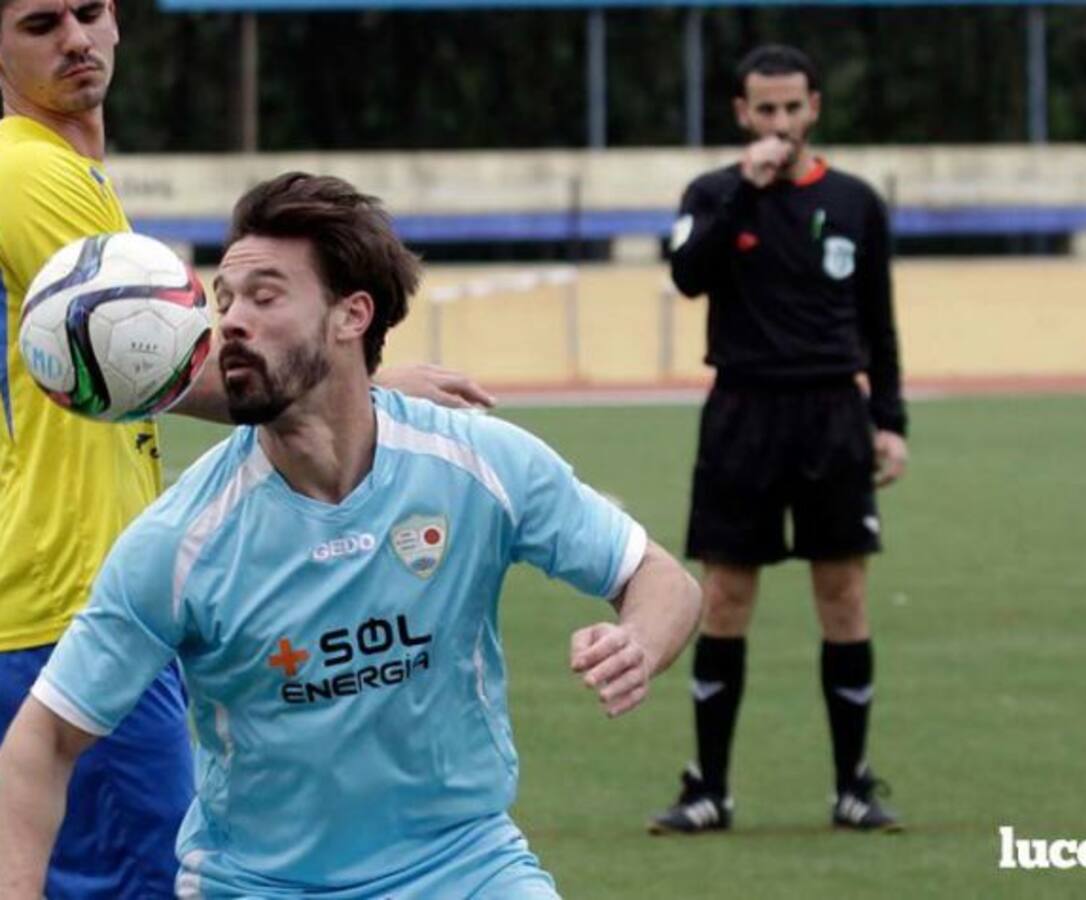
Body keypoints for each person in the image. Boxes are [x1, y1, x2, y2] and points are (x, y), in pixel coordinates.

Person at [0, 171, 702, 896]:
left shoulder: (477, 465)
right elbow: (42, 739)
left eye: (265, 296)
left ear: (352, 315)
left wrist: (639, 641)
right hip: (261, 886)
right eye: (224, 300)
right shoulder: (181, 540)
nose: (230, 321)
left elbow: (660, 579)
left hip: (465, 867)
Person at [0, 1, 492, 894]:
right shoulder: (30, 172)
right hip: (63, 596)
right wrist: (361, 391)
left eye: (90, 10)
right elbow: (150, 366)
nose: (76, 38)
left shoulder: (56, 170)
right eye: (41, 24)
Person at [648, 44, 908, 835]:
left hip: (832, 415)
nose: (781, 122)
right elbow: (687, 275)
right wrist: (745, 192)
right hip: (742, 413)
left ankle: (853, 786)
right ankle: (709, 789)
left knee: (844, 595)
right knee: (725, 595)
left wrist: (890, 421)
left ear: (815, 108)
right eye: (766, 109)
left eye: (794, 107)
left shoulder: (857, 202)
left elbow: (880, 323)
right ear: (742, 113)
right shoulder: (713, 193)